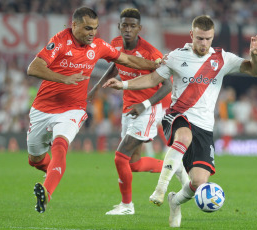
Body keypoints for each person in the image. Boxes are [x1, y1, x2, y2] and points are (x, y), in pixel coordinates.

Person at [103, 15, 257, 227]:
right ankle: (160, 189)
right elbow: (153, 79)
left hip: (205, 127)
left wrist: (255, 56)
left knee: (198, 183)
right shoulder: (176, 57)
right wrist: (123, 85)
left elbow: (256, 70)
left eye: (207, 39)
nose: (203, 43)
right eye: (199, 38)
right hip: (177, 115)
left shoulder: (222, 59)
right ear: (191, 35)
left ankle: (175, 201)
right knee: (184, 135)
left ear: (213, 37)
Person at [26, 6, 160, 214]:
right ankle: (49, 170)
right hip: (42, 109)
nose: (92, 33)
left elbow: (126, 59)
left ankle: (46, 193)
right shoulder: (60, 41)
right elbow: (33, 68)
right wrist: (64, 78)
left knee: (60, 146)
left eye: (95, 29)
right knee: (35, 159)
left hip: (73, 109)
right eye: (88, 28)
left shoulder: (98, 45)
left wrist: (155, 64)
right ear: (75, 25)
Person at [87, 8, 188, 215]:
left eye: (132, 26)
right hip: (128, 108)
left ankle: (127, 206)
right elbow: (117, 64)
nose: (128, 29)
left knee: (120, 157)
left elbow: (167, 87)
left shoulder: (151, 54)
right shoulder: (115, 44)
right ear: (119, 26)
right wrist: (97, 86)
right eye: (124, 25)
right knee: (133, 164)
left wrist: (144, 105)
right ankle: (174, 166)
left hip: (146, 109)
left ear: (139, 28)